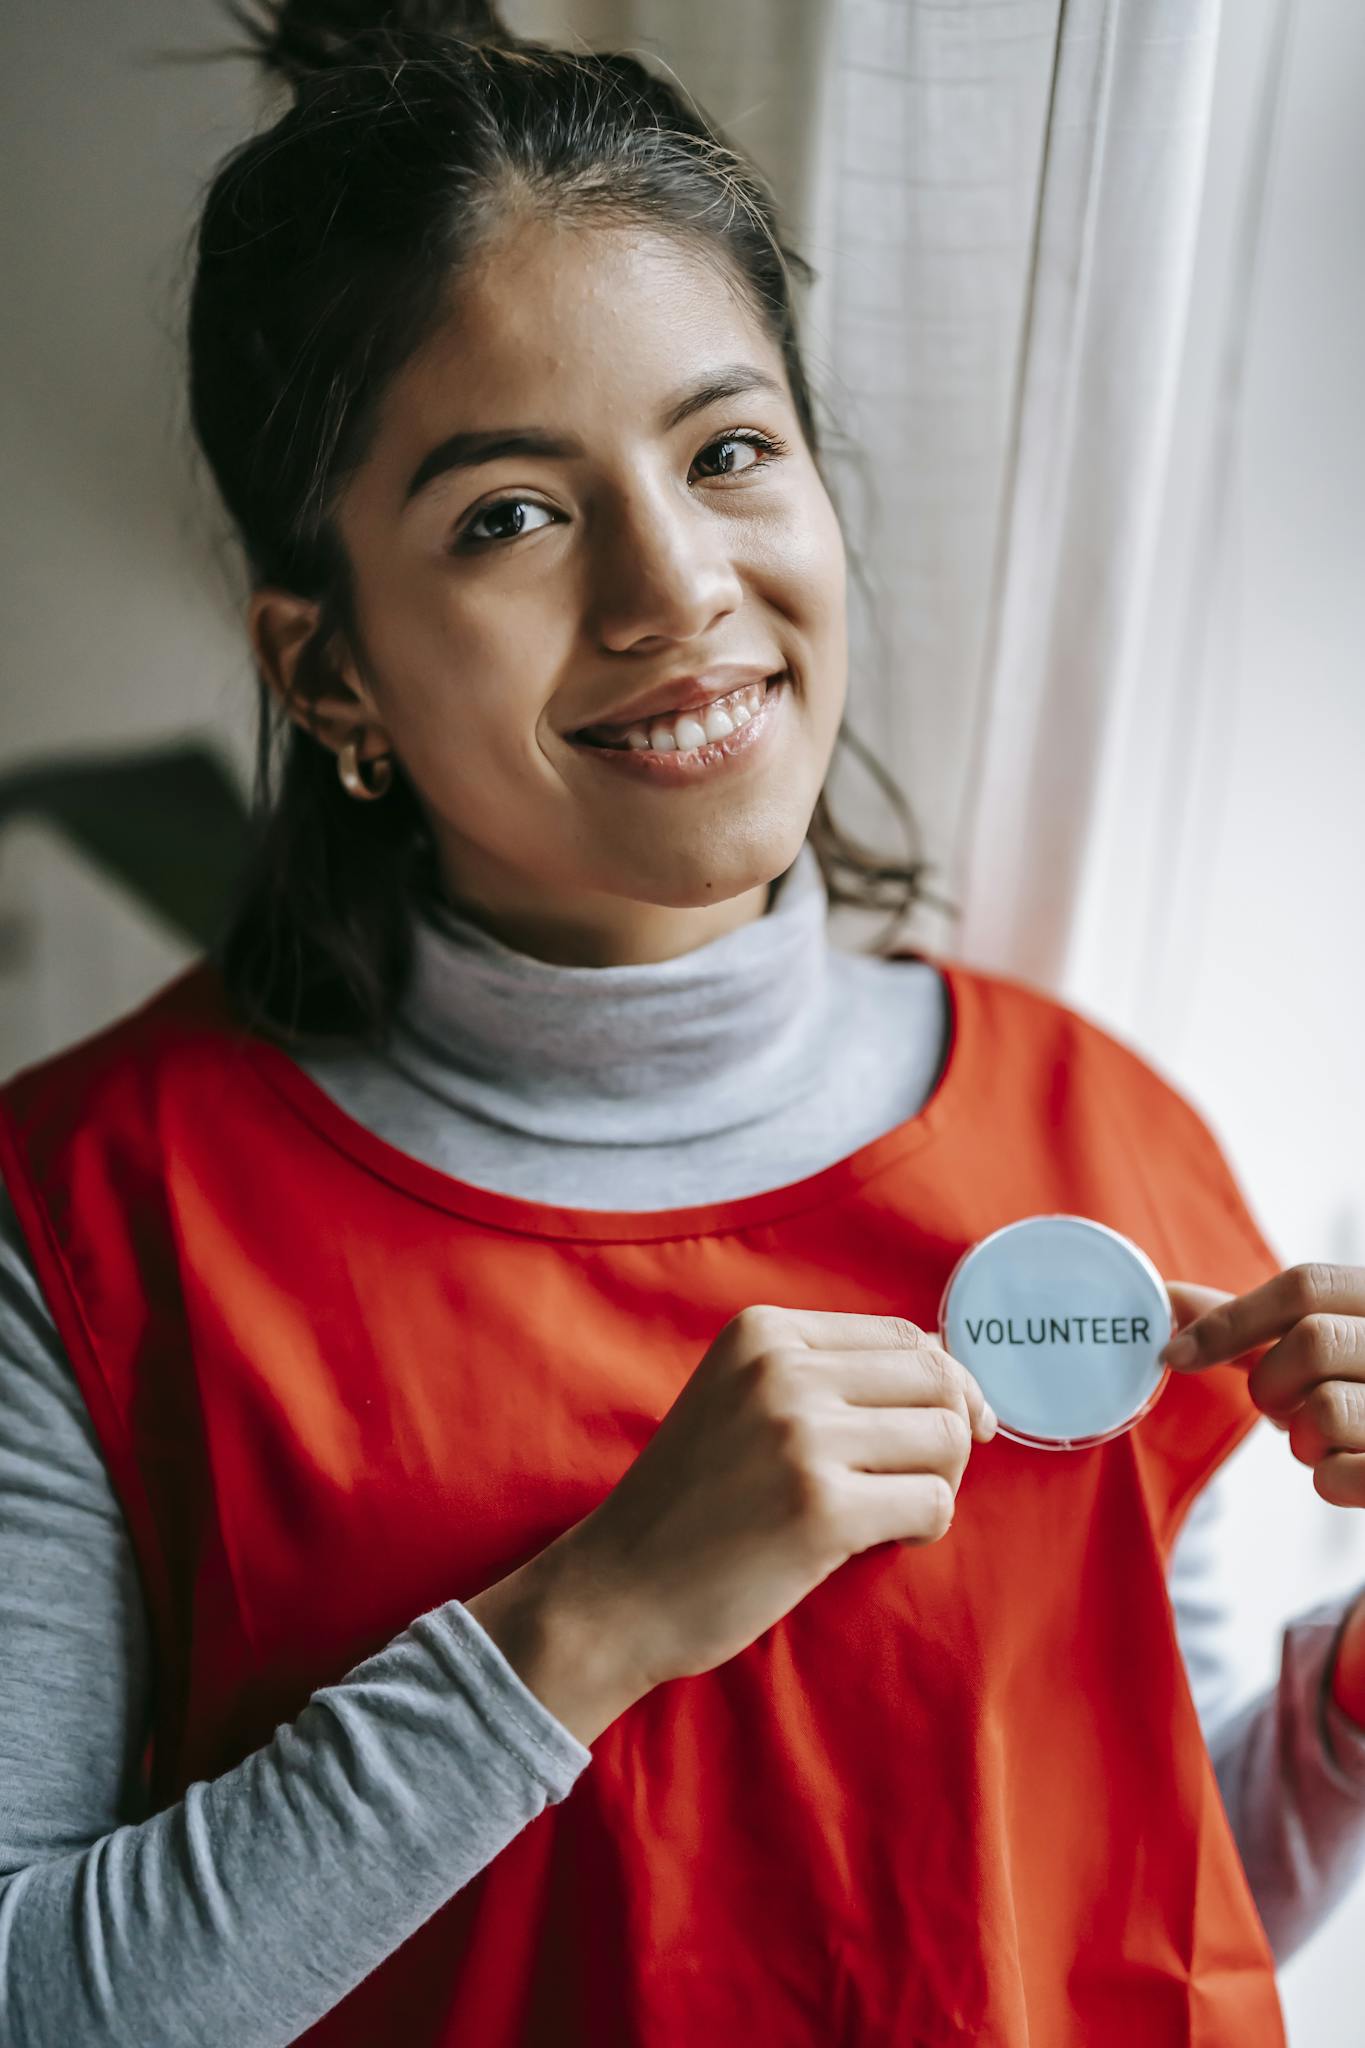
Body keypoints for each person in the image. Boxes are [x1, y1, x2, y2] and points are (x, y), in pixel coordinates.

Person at [1, 4, 1363, 2044]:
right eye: (505, 516)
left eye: (726, 452)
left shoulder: (1102, 1137)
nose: (672, 589)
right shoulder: (87, 1225)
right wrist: (592, 1616)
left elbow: (1144, 1900)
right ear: (326, 670)